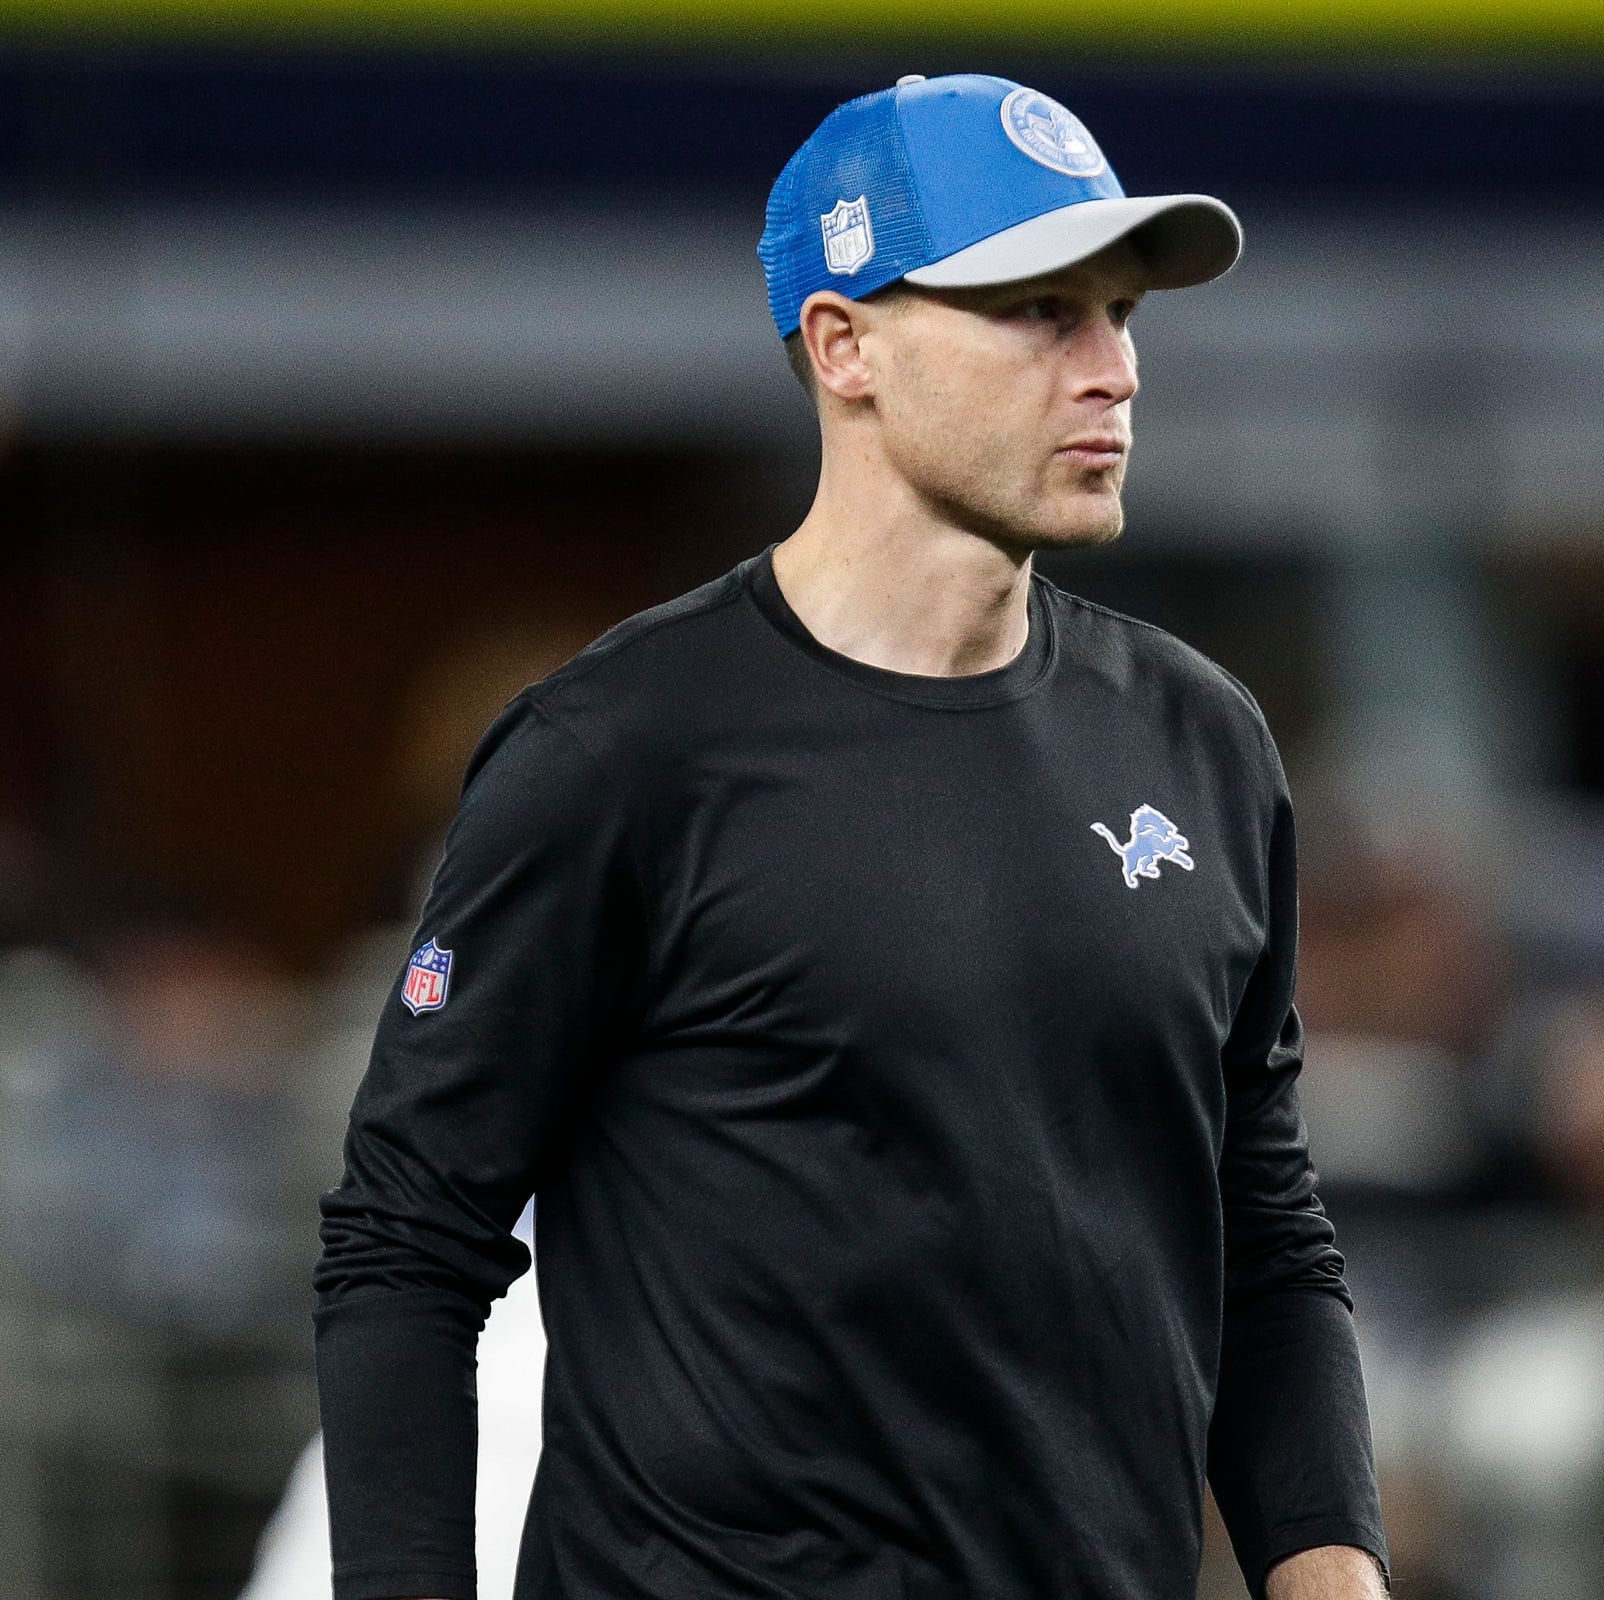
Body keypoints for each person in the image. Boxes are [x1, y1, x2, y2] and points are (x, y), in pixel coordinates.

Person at [312, 73, 1386, 1600]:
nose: (1114, 372)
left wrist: (1329, 1565)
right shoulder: (623, 751)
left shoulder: (1198, 740)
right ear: (845, 345)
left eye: (1124, 314)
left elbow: (1260, 1230)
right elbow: (407, 1246)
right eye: (1040, 313)